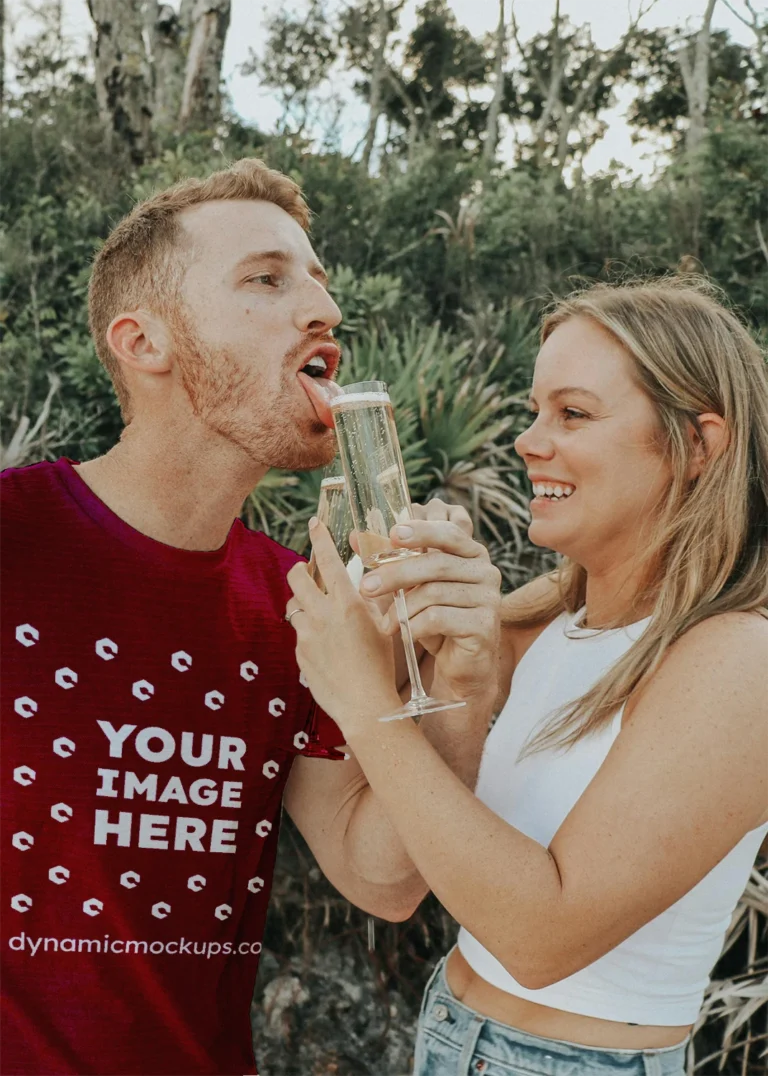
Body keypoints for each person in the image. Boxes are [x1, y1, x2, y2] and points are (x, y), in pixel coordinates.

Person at [0, 159, 501, 1076]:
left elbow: (381, 878)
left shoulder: (300, 603)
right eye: (267, 280)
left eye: (318, 280)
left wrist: (464, 681)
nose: (323, 310)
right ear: (142, 341)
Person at [288, 278, 768, 1076]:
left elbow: (543, 937)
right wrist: (442, 658)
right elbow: (388, 865)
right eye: (536, 409)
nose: (528, 441)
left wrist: (367, 702)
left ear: (699, 446)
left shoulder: (738, 658)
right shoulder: (548, 614)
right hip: (449, 1026)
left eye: (572, 413)